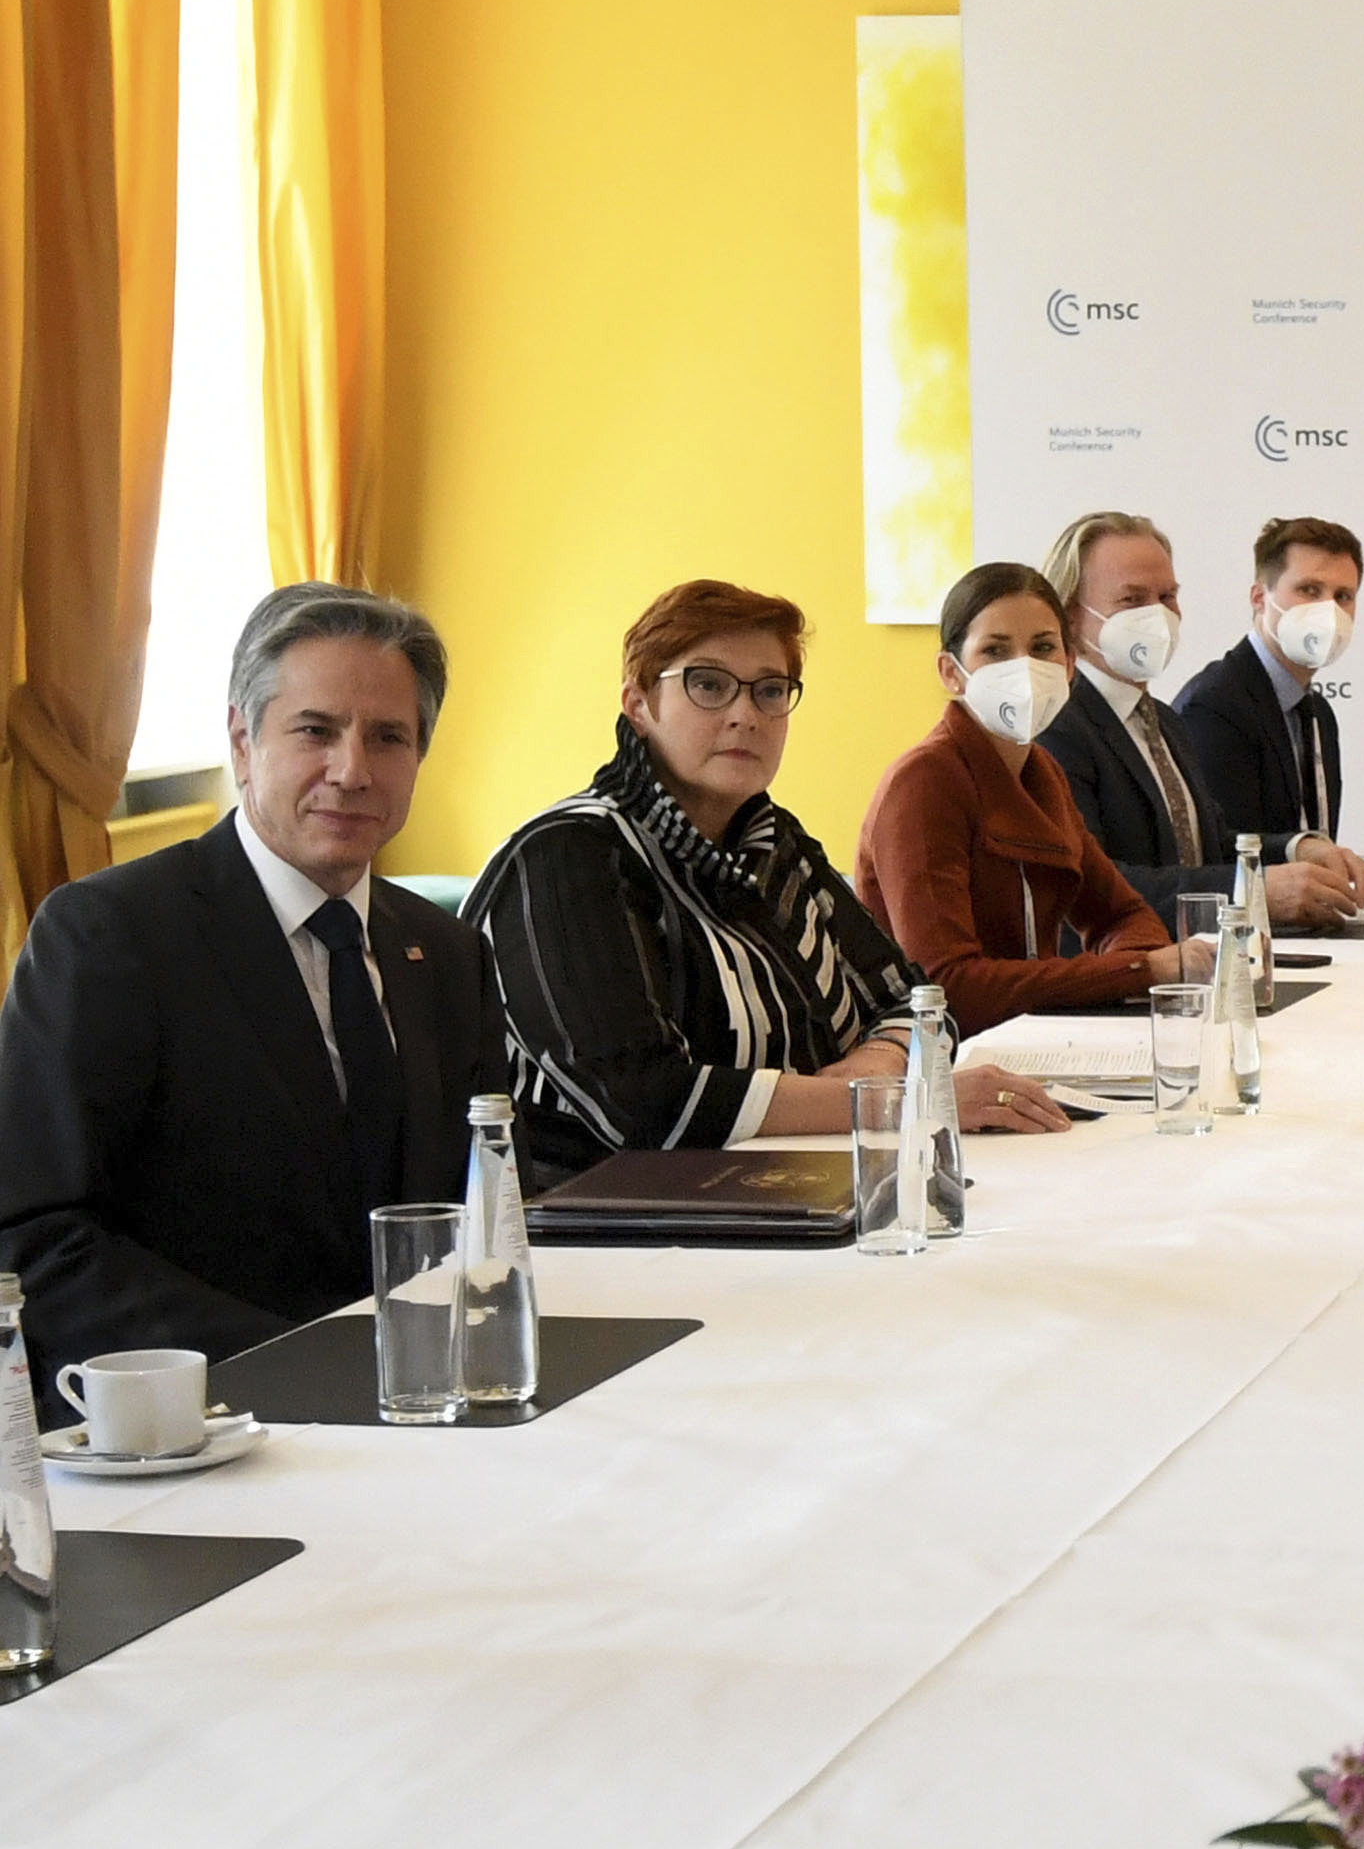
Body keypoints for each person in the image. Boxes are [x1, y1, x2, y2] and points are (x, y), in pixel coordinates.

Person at [0, 585, 512, 1398]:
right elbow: (37, 1235)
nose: (352, 771)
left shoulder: (448, 953)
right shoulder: (109, 936)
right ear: (243, 741)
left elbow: (481, 1196)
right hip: (199, 1421)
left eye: (388, 738)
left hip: (425, 1402)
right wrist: (304, 1364)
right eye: (316, 731)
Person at [471, 580, 1070, 1180]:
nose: (745, 715)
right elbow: (646, 1107)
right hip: (601, 1232)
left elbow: (918, 1006)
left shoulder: (774, 844)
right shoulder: (566, 858)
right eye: (708, 684)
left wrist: (876, 1062)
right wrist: (897, 1099)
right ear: (639, 702)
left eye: (770, 691)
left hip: (789, 1194)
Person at [857, 561, 1212, 1032]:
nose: (1023, 668)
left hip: (1035, 1042)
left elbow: (1122, 914)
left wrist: (1129, 968)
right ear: (951, 672)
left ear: (1069, 665)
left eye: (1043, 648)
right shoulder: (924, 783)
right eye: (996, 651)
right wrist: (1136, 971)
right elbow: (944, 987)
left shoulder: (1041, 772)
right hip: (947, 1064)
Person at [1033, 510, 1364, 928]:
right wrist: (1253, 892)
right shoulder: (1054, 727)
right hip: (1117, 979)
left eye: (1167, 597)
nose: (1157, 616)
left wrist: (1294, 850)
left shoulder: (1160, 721)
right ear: (1069, 614)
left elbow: (1207, 846)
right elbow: (1091, 884)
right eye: (1132, 599)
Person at [1176, 515, 1362, 851]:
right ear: (1260, 598)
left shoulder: (1319, 714)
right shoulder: (1213, 707)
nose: (1329, 610)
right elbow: (1219, 853)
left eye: (1343, 596)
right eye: (1310, 590)